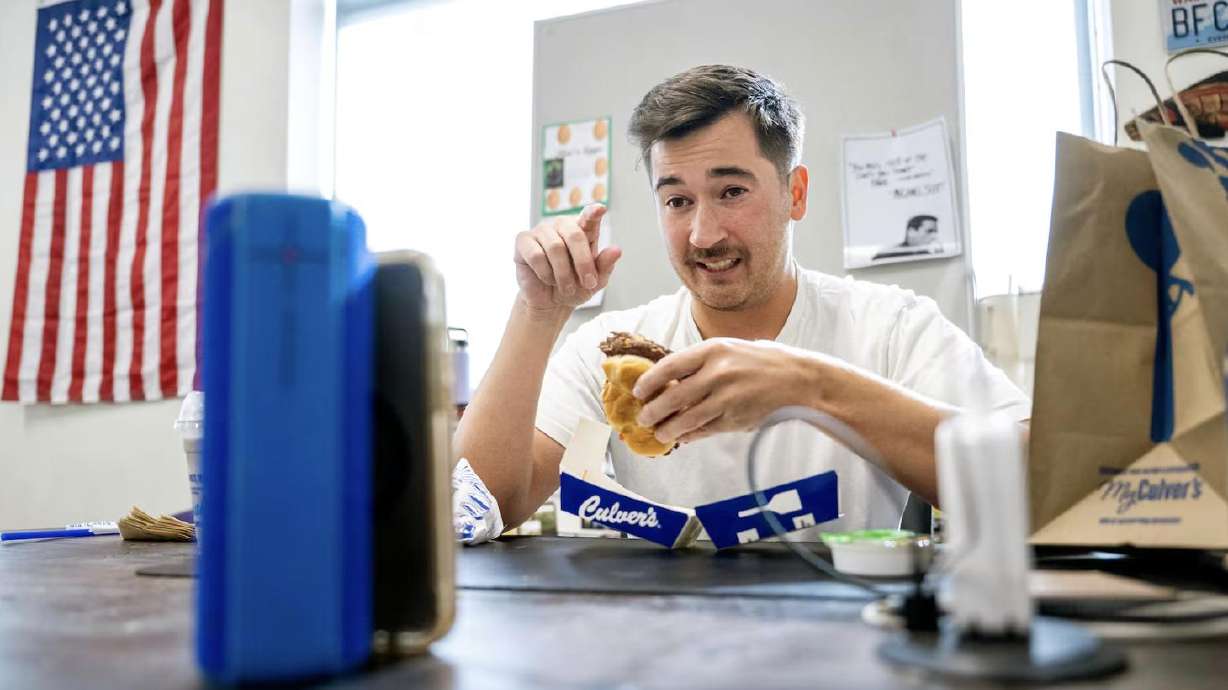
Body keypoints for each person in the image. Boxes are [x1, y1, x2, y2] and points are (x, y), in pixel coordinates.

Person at [455, 65, 1029, 534]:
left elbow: (1031, 483)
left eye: (732, 192)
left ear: (794, 193)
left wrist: (812, 386)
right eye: (677, 201)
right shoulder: (613, 352)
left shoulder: (890, 327)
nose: (704, 235)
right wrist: (539, 312)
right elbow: (476, 508)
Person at [872, 214, 944, 261]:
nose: (934, 236)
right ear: (911, 231)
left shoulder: (928, 255)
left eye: (935, 232)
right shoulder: (888, 255)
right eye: (930, 231)